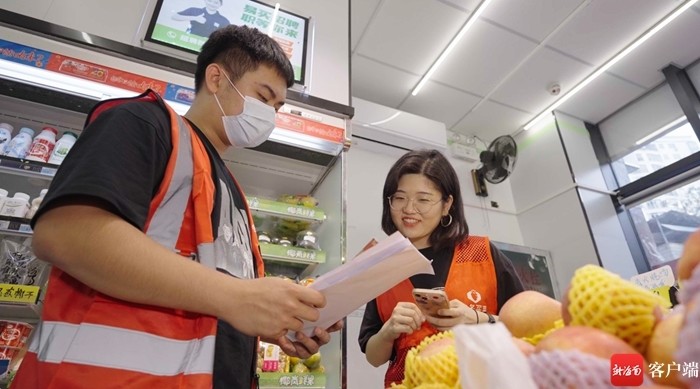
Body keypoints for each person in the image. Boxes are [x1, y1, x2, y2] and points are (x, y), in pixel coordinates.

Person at [14, 25, 341, 389]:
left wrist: (277, 323)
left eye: (277, 108)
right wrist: (237, 296)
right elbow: (67, 233)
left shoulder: (230, 190)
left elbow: (206, 299)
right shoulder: (144, 123)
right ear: (216, 79)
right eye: (263, 99)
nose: (270, 117)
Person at [358, 149, 524, 387]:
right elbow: (373, 357)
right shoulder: (382, 264)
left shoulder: (482, 253)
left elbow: (526, 328)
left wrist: (478, 318)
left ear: (447, 204)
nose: (409, 209)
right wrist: (388, 331)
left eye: (423, 199)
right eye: (399, 197)